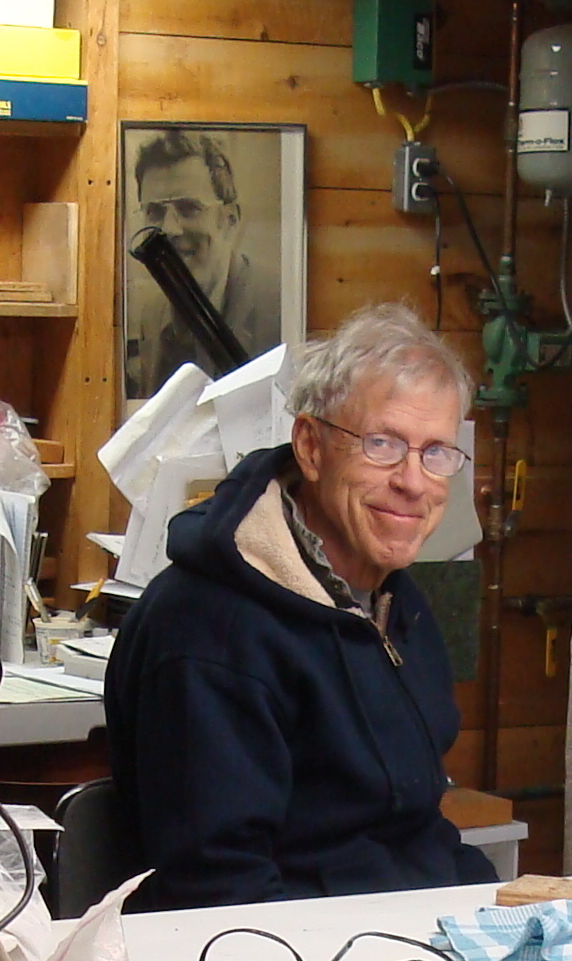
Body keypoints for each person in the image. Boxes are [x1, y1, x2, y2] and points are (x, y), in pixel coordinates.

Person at [105, 303, 498, 910]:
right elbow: (220, 895)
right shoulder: (208, 630)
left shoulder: (392, 602)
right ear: (311, 448)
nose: (414, 482)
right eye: (383, 444)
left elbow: (417, 834)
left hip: (396, 933)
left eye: (437, 452)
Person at [126, 129, 281, 398]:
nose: (170, 229)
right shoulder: (152, 314)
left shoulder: (277, 307)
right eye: (155, 212)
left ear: (230, 219)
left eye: (189, 208)